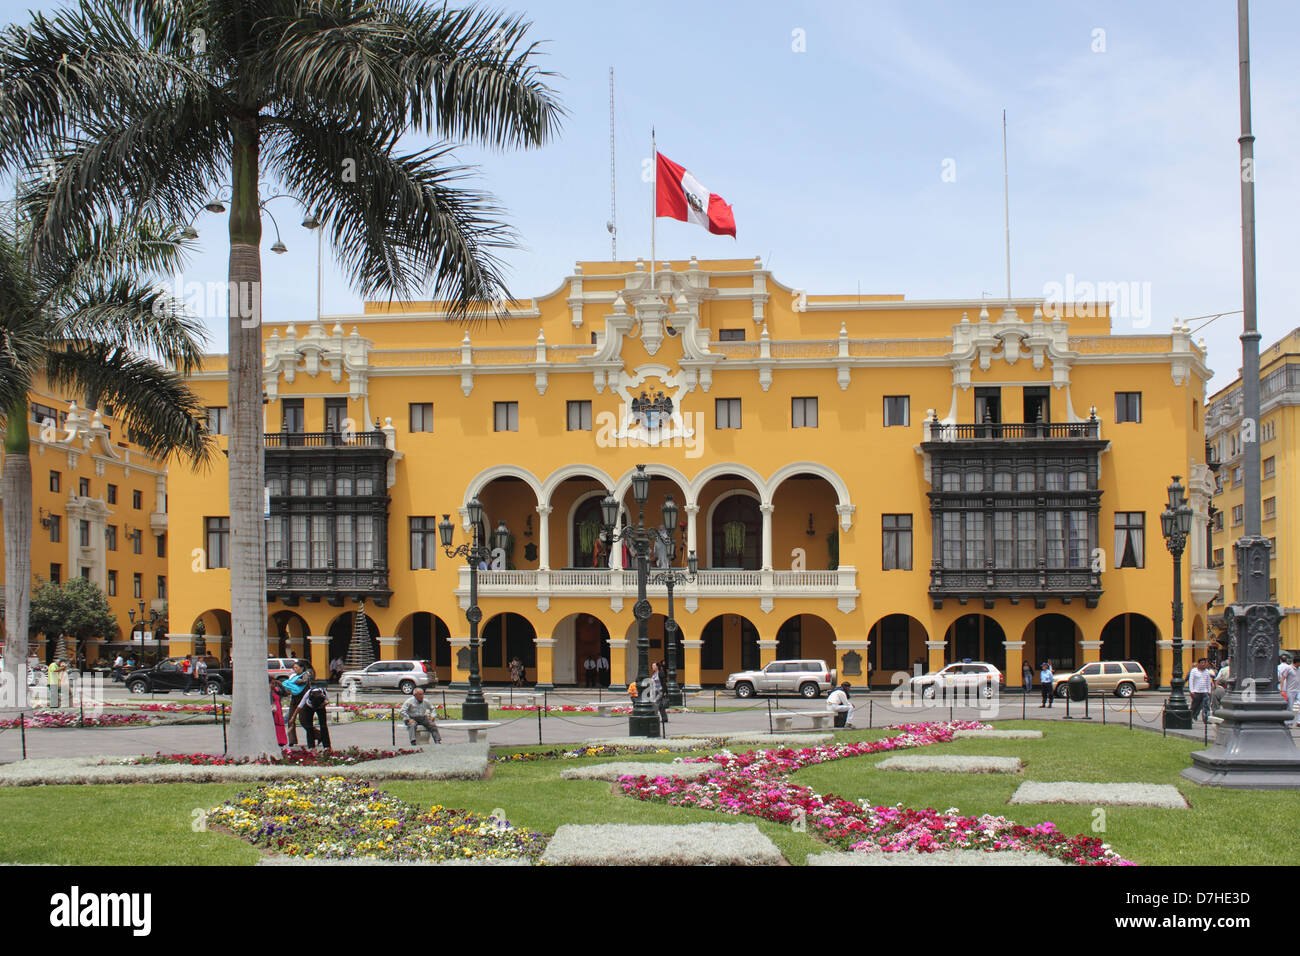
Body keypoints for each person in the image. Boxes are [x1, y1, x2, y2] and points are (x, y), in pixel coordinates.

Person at [280, 660, 312, 747]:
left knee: (303, 720)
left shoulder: (306, 674)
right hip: (294, 699)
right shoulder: (294, 676)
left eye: (296, 667)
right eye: (294, 668)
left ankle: (317, 735)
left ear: (301, 668)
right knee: (291, 720)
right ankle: (292, 740)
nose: (295, 669)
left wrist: (294, 681)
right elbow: (289, 686)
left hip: (303, 700)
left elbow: (303, 682)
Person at [297, 682, 331, 749]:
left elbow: (328, 701)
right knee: (309, 726)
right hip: (309, 708)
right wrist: (293, 717)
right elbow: (300, 705)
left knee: (323, 725)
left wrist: (322, 705)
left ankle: (327, 746)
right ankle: (311, 746)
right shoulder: (309, 693)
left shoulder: (323, 692)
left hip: (321, 706)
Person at [269, 676, 288, 748]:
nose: (273, 685)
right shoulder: (268, 692)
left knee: (279, 725)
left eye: (274, 683)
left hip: (278, 709)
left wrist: (280, 685)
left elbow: (285, 694)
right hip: (272, 709)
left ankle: (281, 741)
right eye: (272, 683)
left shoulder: (277, 690)